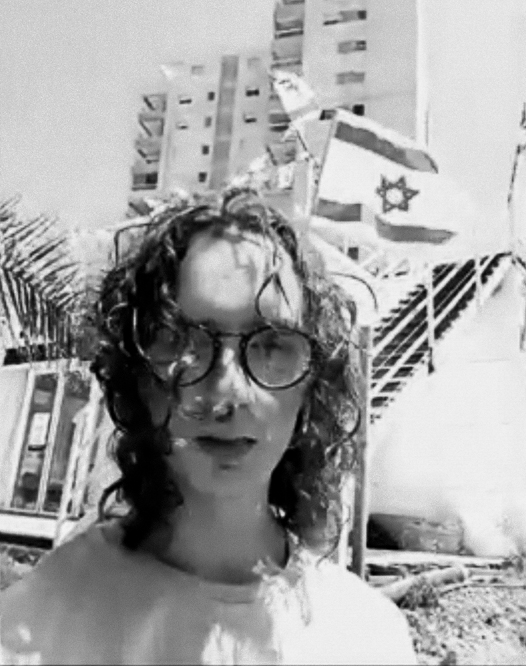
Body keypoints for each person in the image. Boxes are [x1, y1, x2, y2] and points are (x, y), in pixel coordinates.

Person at [0, 189, 417, 665]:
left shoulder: (368, 638)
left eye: (272, 344)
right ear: (137, 377)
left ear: (311, 387)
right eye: (183, 340)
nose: (227, 391)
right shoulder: (35, 627)